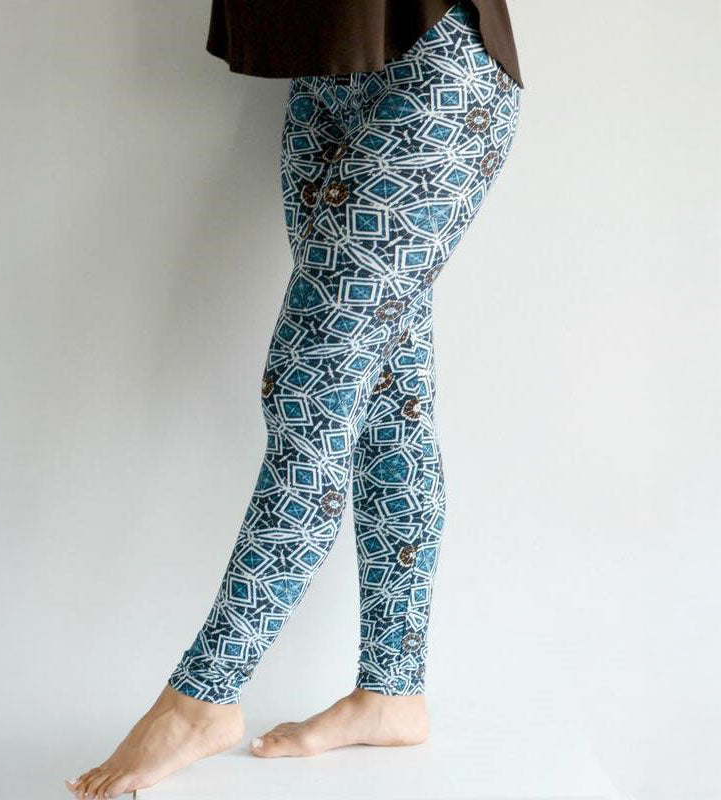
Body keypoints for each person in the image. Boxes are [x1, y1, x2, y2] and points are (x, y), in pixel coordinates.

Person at [66, 1, 523, 797]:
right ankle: (392, 691)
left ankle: (201, 698)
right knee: (390, 404)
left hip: (439, 67)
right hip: (322, 75)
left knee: (310, 392)